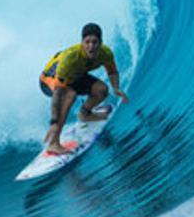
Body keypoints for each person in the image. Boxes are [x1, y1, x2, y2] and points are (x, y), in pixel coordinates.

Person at [38, 22, 129, 155]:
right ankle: (53, 143)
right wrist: (54, 121)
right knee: (70, 95)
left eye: (94, 42)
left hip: (75, 76)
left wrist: (116, 88)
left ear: (100, 42)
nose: (91, 46)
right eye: (87, 42)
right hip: (49, 80)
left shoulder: (105, 53)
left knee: (102, 90)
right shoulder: (70, 59)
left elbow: (112, 71)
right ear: (82, 42)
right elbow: (58, 93)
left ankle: (85, 114)